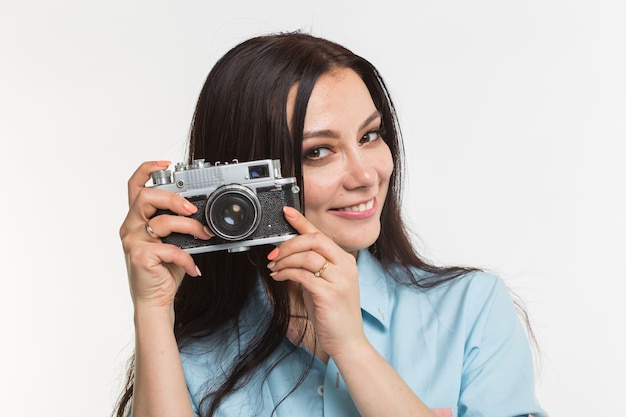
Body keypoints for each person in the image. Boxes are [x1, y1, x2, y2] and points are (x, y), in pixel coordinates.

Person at [115, 32, 548, 417]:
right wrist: (151, 310)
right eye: (318, 152)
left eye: (369, 136)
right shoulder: (194, 352)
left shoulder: (470, 310)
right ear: (245, 179)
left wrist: (353, 349)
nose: (365, 175)